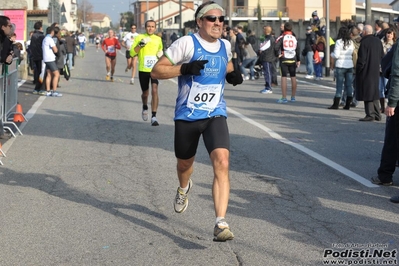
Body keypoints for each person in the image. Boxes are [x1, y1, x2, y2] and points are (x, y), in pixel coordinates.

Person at [151, 1, 242, 241]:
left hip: (215, 114)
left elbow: (228, 64)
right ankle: (184, 188)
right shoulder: (186, 43)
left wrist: (233, 73)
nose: (218, 23)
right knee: (184, 165)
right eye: (212, 19)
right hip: (188, 116)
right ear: (200, 21)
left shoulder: (225, 44)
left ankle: (220, 223)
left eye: (221, 19)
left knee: (222, 161)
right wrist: (185, 69)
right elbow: (157, 71)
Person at [130, 20, 163, 126]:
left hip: (155, 69)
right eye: (148, 26)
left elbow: (160, 51)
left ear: (155, 28)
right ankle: (145, 106)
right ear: (145, 27)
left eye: (152, 27)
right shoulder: (139, 37)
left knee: (154, 90)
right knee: (145, 93)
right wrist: (140, 45)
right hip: (143, 69)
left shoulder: (158, 39)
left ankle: (154, 116)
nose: (150, 28)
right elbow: (132, 52)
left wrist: (160, 54)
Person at [356, 25, 384, 121]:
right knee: (374, 93)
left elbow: (361, 59)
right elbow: (382, 55)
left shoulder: (364, 42)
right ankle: (377, 114)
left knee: (367, 92)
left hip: (366, 71)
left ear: (364, 32)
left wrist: (358, 69)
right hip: (375, 70)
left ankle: (370, 114)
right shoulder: (378, 41)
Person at [274, 22, 300, 103]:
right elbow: (298, 49)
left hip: (284, 59)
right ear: (291, 29)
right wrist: (298, 59)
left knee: (284, 77)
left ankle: (284, 97)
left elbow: (275, 47)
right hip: (293, 58)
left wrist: (278, 55)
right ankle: (293, 97)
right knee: (293, 76)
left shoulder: (282, 37)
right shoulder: (294, 37)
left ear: (284, 28)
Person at [329, 26, 354, 110]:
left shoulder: (339, 42)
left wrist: (331, 55)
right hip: (350, 65)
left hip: (340, 65)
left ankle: (336, 104)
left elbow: (336, 55)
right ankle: (348, 104)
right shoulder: (351, 42)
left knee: (339, 86)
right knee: (349, 85)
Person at [0, 15, 14, 139]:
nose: (11, 27)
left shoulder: (6, 39)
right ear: (2, 26)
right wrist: (5, 59)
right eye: (9, 25)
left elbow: (9, 51)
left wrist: (9, 57)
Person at [379, 28, 396, 113]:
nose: (389, 35)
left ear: (393, 36)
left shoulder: (394, 45)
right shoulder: (381, 42)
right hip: (380, 68)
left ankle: (387, 106)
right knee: (380, 89)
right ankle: (382, 106)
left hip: (388, 70)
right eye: (388, 33)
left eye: (391, 34)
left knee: (387, 88)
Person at [42, 26, 62, 97]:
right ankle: (54, 91)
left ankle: (48, 91)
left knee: (49, 74)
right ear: (52, 32)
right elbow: (55, 50)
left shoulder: (45, 39)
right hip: (50, 59)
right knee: (56, 74)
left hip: (46, 58)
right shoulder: (50, 39)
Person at [259, 25, 276, 94]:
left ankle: (268, 87)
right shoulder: (268, 38)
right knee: (267, 73)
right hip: (267, 57)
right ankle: (267, 86)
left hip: (268, 57)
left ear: (266, 31)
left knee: (268, 73)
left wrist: (260, 49)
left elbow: (262, 47)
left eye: (264, 30)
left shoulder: (269, 38)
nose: (263, 31)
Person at [30, 21, 45, 94]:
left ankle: (37, 87)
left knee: (38, 72)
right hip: (41, 56)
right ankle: (39, 88)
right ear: (40, 27)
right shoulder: (41, 36)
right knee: (41, 72)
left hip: (35, 56)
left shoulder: (33, 35)